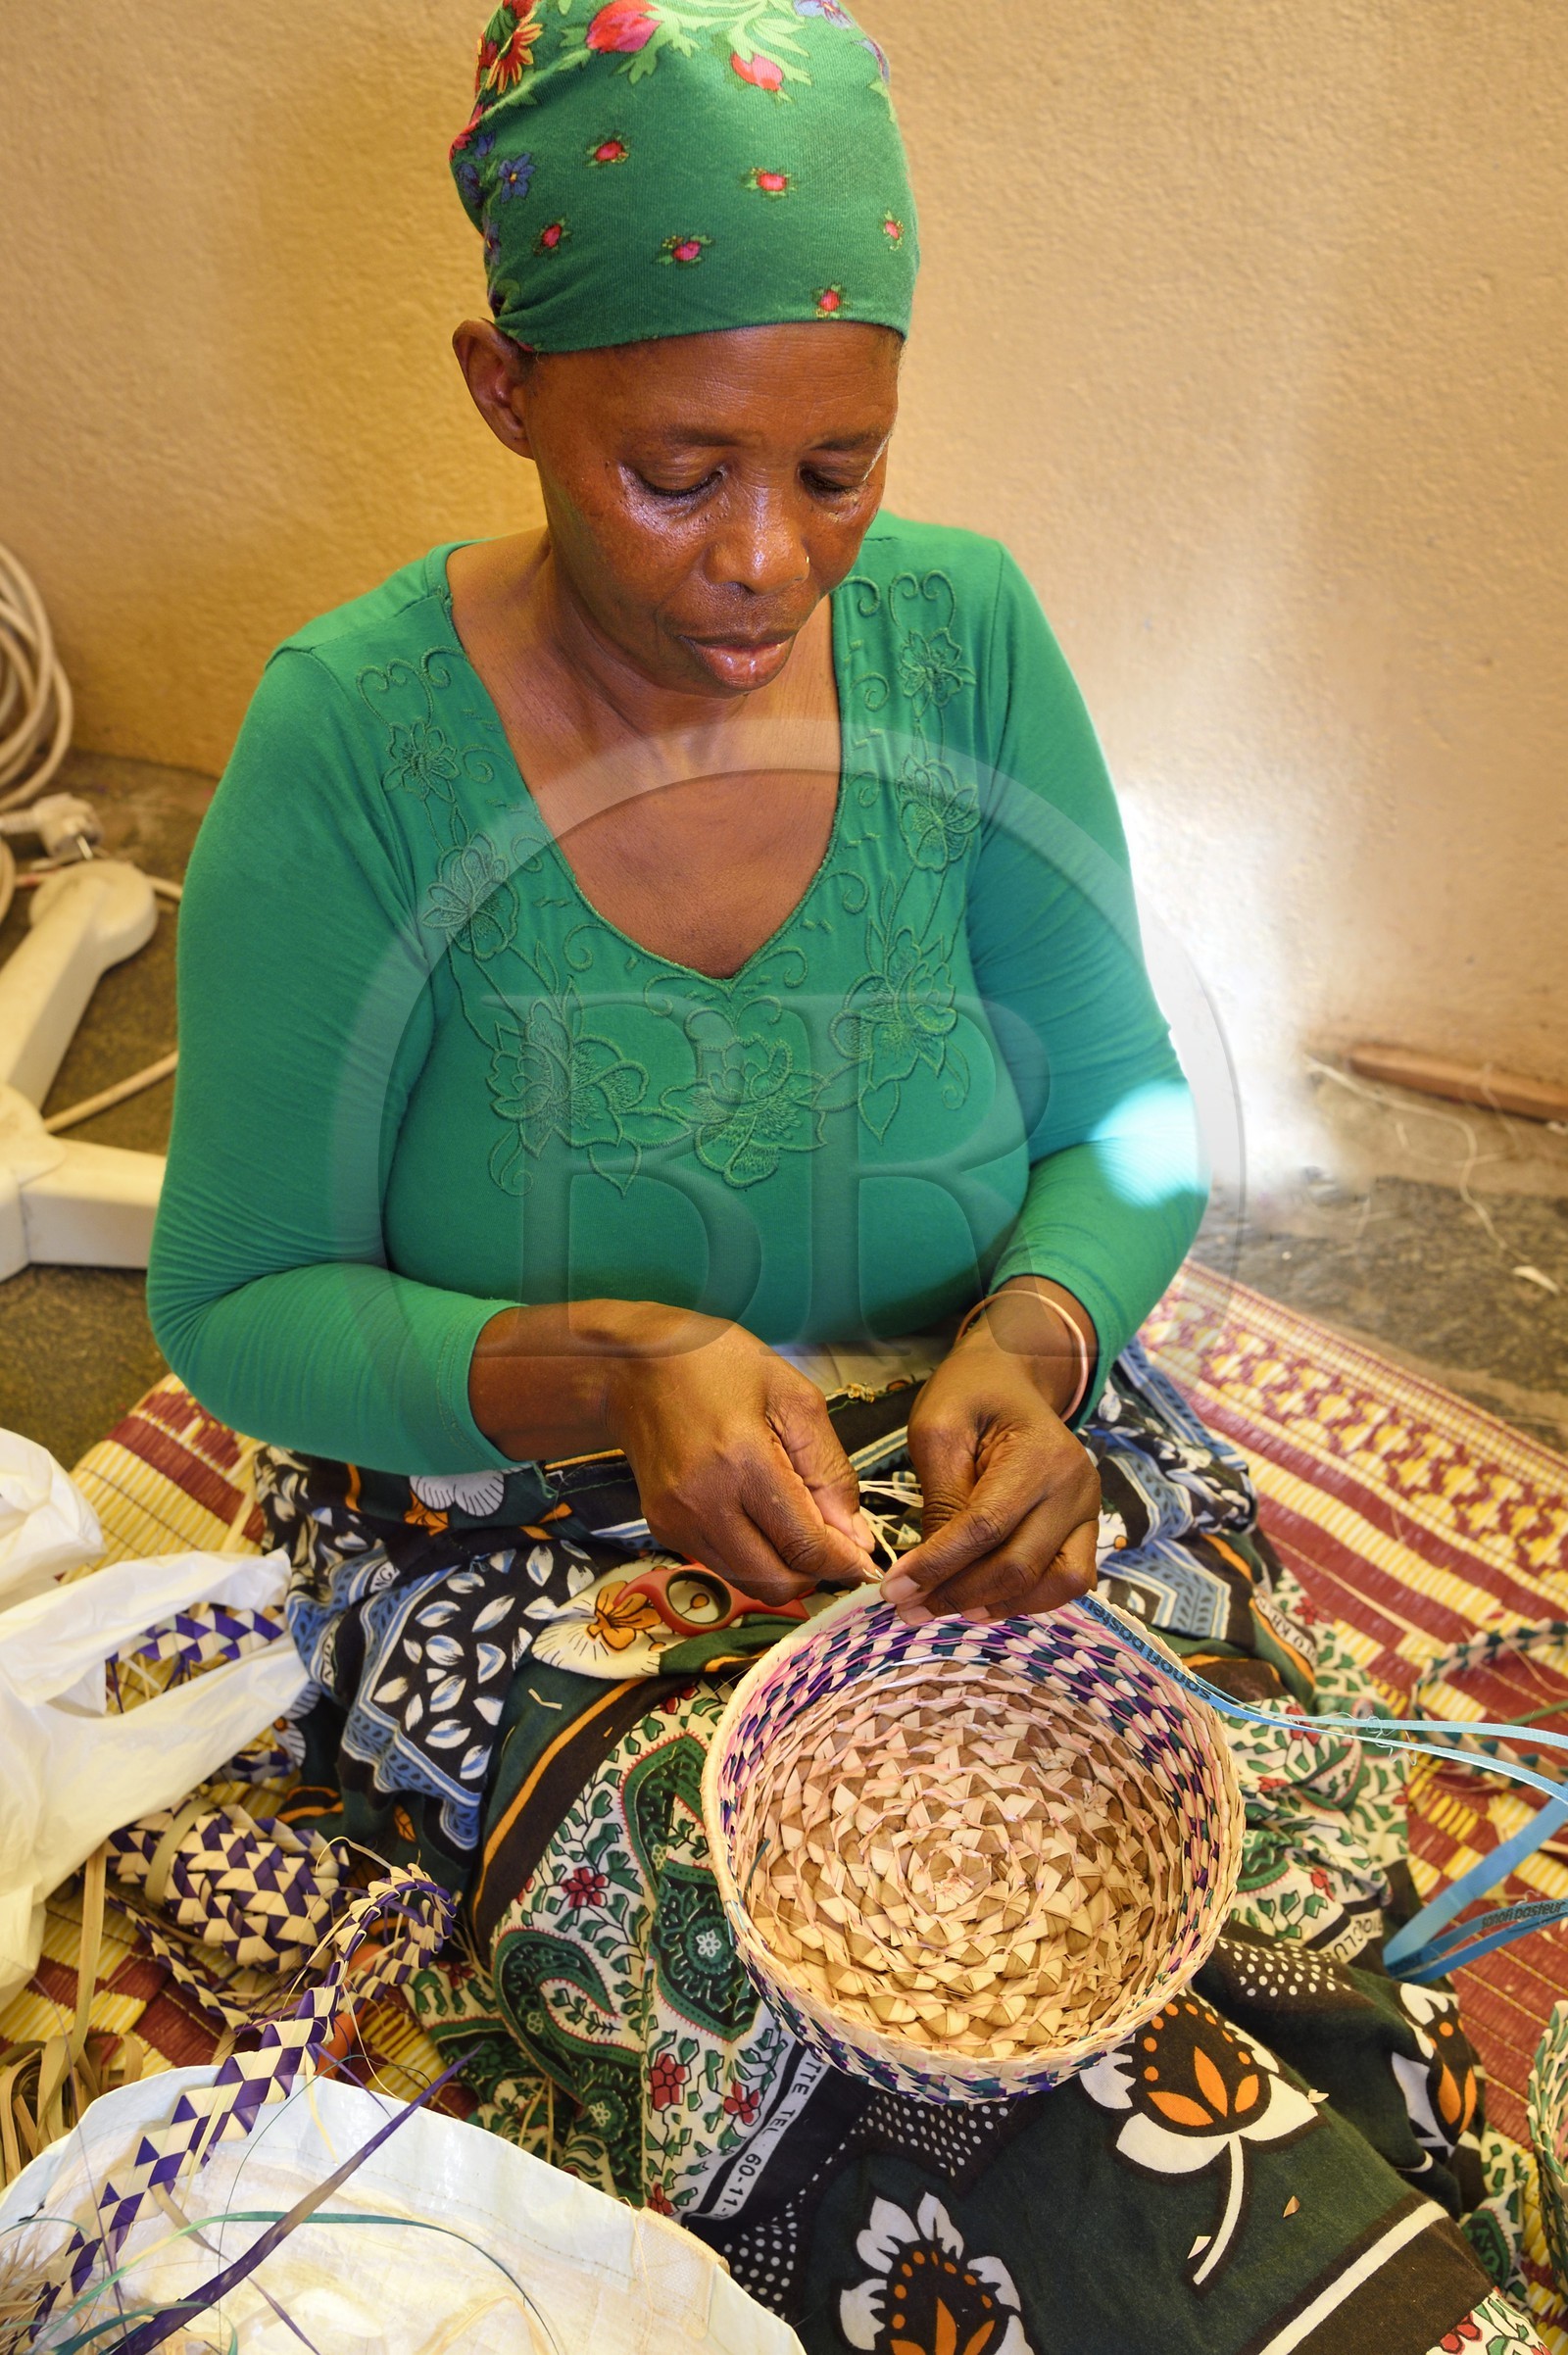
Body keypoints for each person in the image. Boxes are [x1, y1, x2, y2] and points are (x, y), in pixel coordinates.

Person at [147, 8, 1536, 2350]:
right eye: (675, 471)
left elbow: (1121, 1114)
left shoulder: (957, 642)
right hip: (526, 1519)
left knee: (1208, 1886)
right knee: (827, 2016)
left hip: (963, 1440)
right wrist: (625, 1366)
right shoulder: (353, 739)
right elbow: (241, 1298)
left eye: (838, 469)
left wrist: (1029, 1338)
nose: (764, 561)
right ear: (507, 390)